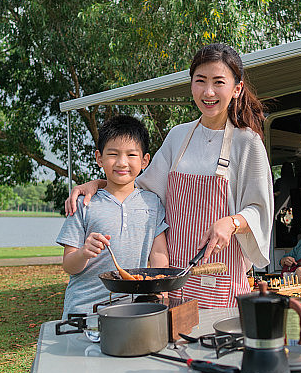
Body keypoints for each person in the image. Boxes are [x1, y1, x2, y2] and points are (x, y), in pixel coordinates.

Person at [66, 43, 274, 308]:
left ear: (236, 89)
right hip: (173, 277)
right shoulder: (179, 136)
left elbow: (260, 208)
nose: (208, 92)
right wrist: (99, 184)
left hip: (219, 272)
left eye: (218, 82)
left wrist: (232, 222)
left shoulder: (247, 142)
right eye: (200, 81)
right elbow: (140, 187)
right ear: (191, 85)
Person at [57, 115, 169, 318]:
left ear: (145, 160)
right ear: (99, 158)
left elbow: (159, 253)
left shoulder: (152, 203)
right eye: (113, 154)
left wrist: (161, 289)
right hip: (82, 311)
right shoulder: (84, 203)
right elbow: (69, 265)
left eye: (131, 155)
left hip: (132, 310)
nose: (122, 162)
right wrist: (84, 252)